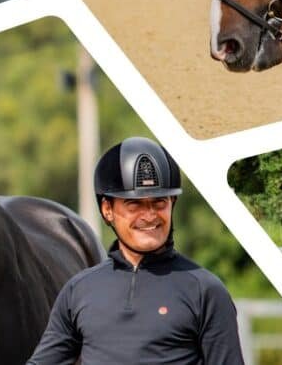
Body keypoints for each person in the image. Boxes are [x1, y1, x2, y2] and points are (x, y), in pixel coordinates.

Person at [26, 137, 245, 364]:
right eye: (135, 204)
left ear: (172, 204)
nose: (149, 216)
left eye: (159, 203)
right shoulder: (78, 290)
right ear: (107, 209)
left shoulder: (205, 290)